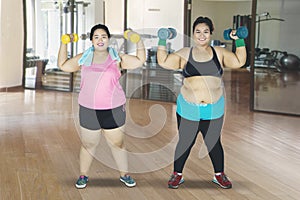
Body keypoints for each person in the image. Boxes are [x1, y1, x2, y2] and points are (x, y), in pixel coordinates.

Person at [157, 16, 247, 189]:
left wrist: (240, 40)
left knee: (214, 142)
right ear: (193, 34)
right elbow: (163, 61)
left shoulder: (218, 53)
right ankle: (177, 174)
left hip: (214, 108)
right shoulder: (185, 53)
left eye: (205, 31)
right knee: (185, 142)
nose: (201, 35)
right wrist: (162, 39)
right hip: (189, 108)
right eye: (198, 31)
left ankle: (219, 175)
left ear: (211, 33)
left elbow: (239, 61)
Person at [58, 24, 146, 189]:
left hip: (113, 109)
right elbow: (63, 65)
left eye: (103, 36)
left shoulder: (117, 58)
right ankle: (83, 175)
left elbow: (140, 60)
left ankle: (124, 174)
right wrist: (64, 42)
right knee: (89, 145)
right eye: (96, 36)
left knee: (118, 144)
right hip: (88, 109)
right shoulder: (83, 58)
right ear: (91, 40)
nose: (100, 39)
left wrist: (138, 40)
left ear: (108, 39)